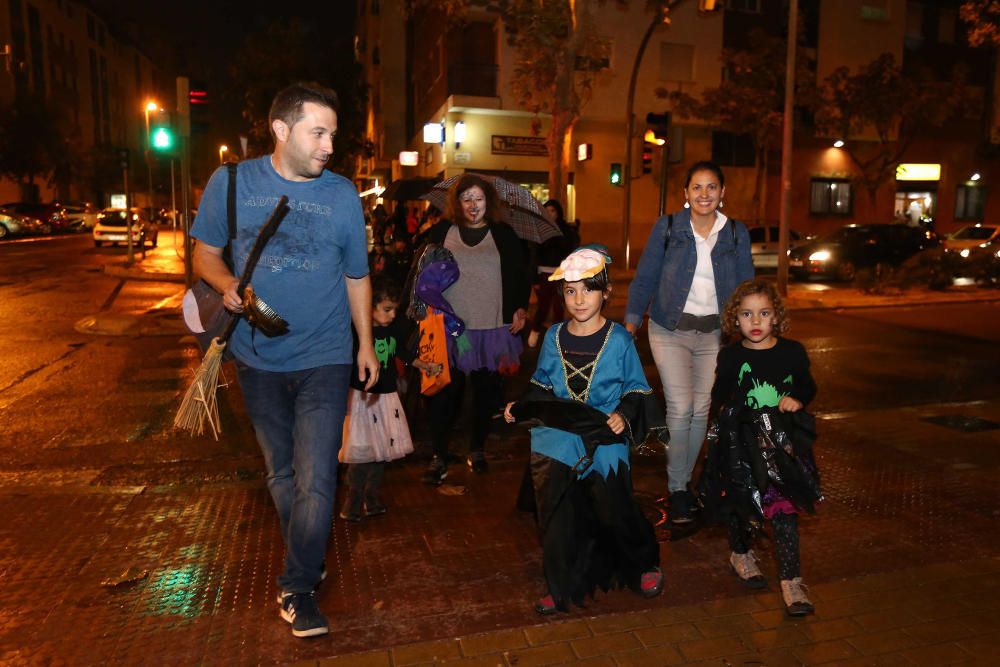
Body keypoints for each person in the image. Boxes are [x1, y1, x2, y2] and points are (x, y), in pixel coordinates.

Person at [191, 81, 378, 639]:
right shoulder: (231, 183)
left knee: (318, 479)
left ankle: (297, 586)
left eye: (333, 135)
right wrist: (226, 285)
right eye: (317, 132)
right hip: (255, 357)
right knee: (282, 475)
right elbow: (204, 252)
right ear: (281, 130)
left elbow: (357, 274)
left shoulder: (342, 195)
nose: (328, 145)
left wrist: (365, 343)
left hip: (325, 355)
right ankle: (308, 550)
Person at [504, 246, 664, 614]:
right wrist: (521, 405)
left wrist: (623, 413)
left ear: (605, 292)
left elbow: (637, 389)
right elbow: (542, 384)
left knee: (615, 509)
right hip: (559, 438)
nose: (579, 299)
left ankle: (642, 563)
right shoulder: (553, 336)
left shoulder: (621, 340)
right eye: (570, 290)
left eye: (588, 289)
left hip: (604, 437)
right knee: (556, 514)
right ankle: (561, 584)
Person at [625, 160, 754, 525]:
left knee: (701, 410)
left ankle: (685, 482)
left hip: (715, 333)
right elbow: (646, 276)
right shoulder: (668, 228)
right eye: (696, 187)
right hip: (669, 329)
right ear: (685, 193)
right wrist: (631, 323)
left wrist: (751, 328)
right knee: (680, 409)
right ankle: (679, 487)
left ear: (722, 192)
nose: (704, 194)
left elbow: (746, 284)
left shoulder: (735, 233)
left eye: (711, 187)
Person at [706, 279, 819, 616]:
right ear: (734, 319)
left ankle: (791, 582)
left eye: (764, 313)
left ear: (776, 317)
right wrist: (729, 416)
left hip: (783, 446)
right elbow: (719, 396)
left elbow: (808, 387)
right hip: (742, 445)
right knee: (742, 505)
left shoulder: (792, 352)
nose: (755, 321)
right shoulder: (730, 356)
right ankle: (740, 553)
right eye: (746, 314)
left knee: (784, 509)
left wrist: (796, 400)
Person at [421, 174, 531, 484]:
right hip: (449, 328)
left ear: (488, 203)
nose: (472, 205)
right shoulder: (442, 232)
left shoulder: (504, 234)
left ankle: (477, 449)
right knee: (446, 393)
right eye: (466, 199)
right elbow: (423, 275)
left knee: (485, 394)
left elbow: (520, 275)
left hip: (491, 328)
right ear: (456, 203)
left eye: (478, 199)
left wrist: (520, 307)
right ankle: (439, 455)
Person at [338, 277, 441, 521]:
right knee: (362, 452)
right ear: (368, 306)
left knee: (381, 452)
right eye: (387, 309)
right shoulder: (356, 332)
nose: (393, 315)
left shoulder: (393, 329)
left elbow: (402, 353)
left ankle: (371, 499)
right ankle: (352, 502)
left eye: (395, 309)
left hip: (386, 399)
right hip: (363, 399)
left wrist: (424, 365)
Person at [527, 199, 579, 349]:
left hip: (561, 274)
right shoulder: (539, 229)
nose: (550, 213)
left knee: (559, 306)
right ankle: (535, 331)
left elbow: (571, 251)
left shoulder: (565, 231)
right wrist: (534, 279)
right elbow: (534, 254)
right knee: (543, 306)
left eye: (553, 211)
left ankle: (558, 338)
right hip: (543, 273)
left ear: (558, 213)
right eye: (547, 210)